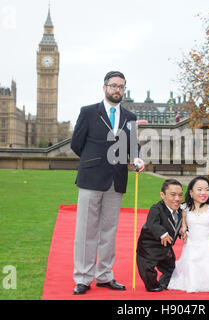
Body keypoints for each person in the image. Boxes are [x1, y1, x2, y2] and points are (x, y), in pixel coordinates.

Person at [70, 71, 145, 295]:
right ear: (104, 88)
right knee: (85, 230)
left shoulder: (130, 117)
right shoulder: (88, 112)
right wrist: (95, 161)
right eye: (113, 86)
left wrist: (137, 157)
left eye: (121, 87)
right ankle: (83, 278)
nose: (117, 90)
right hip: (90, 178)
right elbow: (76, 144)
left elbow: (133, 146)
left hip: (117, 179)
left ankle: (104, 276)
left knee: (108, 231)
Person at [167, 176, 209, 294]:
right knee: (191, 260)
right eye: (199, 189)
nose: (203, 192)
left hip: (207, 240)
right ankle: (193, 281)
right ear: (191, 192)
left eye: (206, 189)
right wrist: (183, 229)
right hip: (192, 240)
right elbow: (183, 221)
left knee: (207, 260)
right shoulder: (186, 208)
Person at [136, 179, 183, 292]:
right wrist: (163, 233)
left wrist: (183, 231)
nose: (177, 199)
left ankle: (165, 283)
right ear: (163, 195)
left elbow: (181, 224)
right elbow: (152, 223)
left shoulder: (181, 211)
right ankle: (153, 285)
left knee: (170, 268)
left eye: (180, 195)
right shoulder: (156, 209)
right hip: (149, 248)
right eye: (172, 195)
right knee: (148, 270)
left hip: (166, 248)